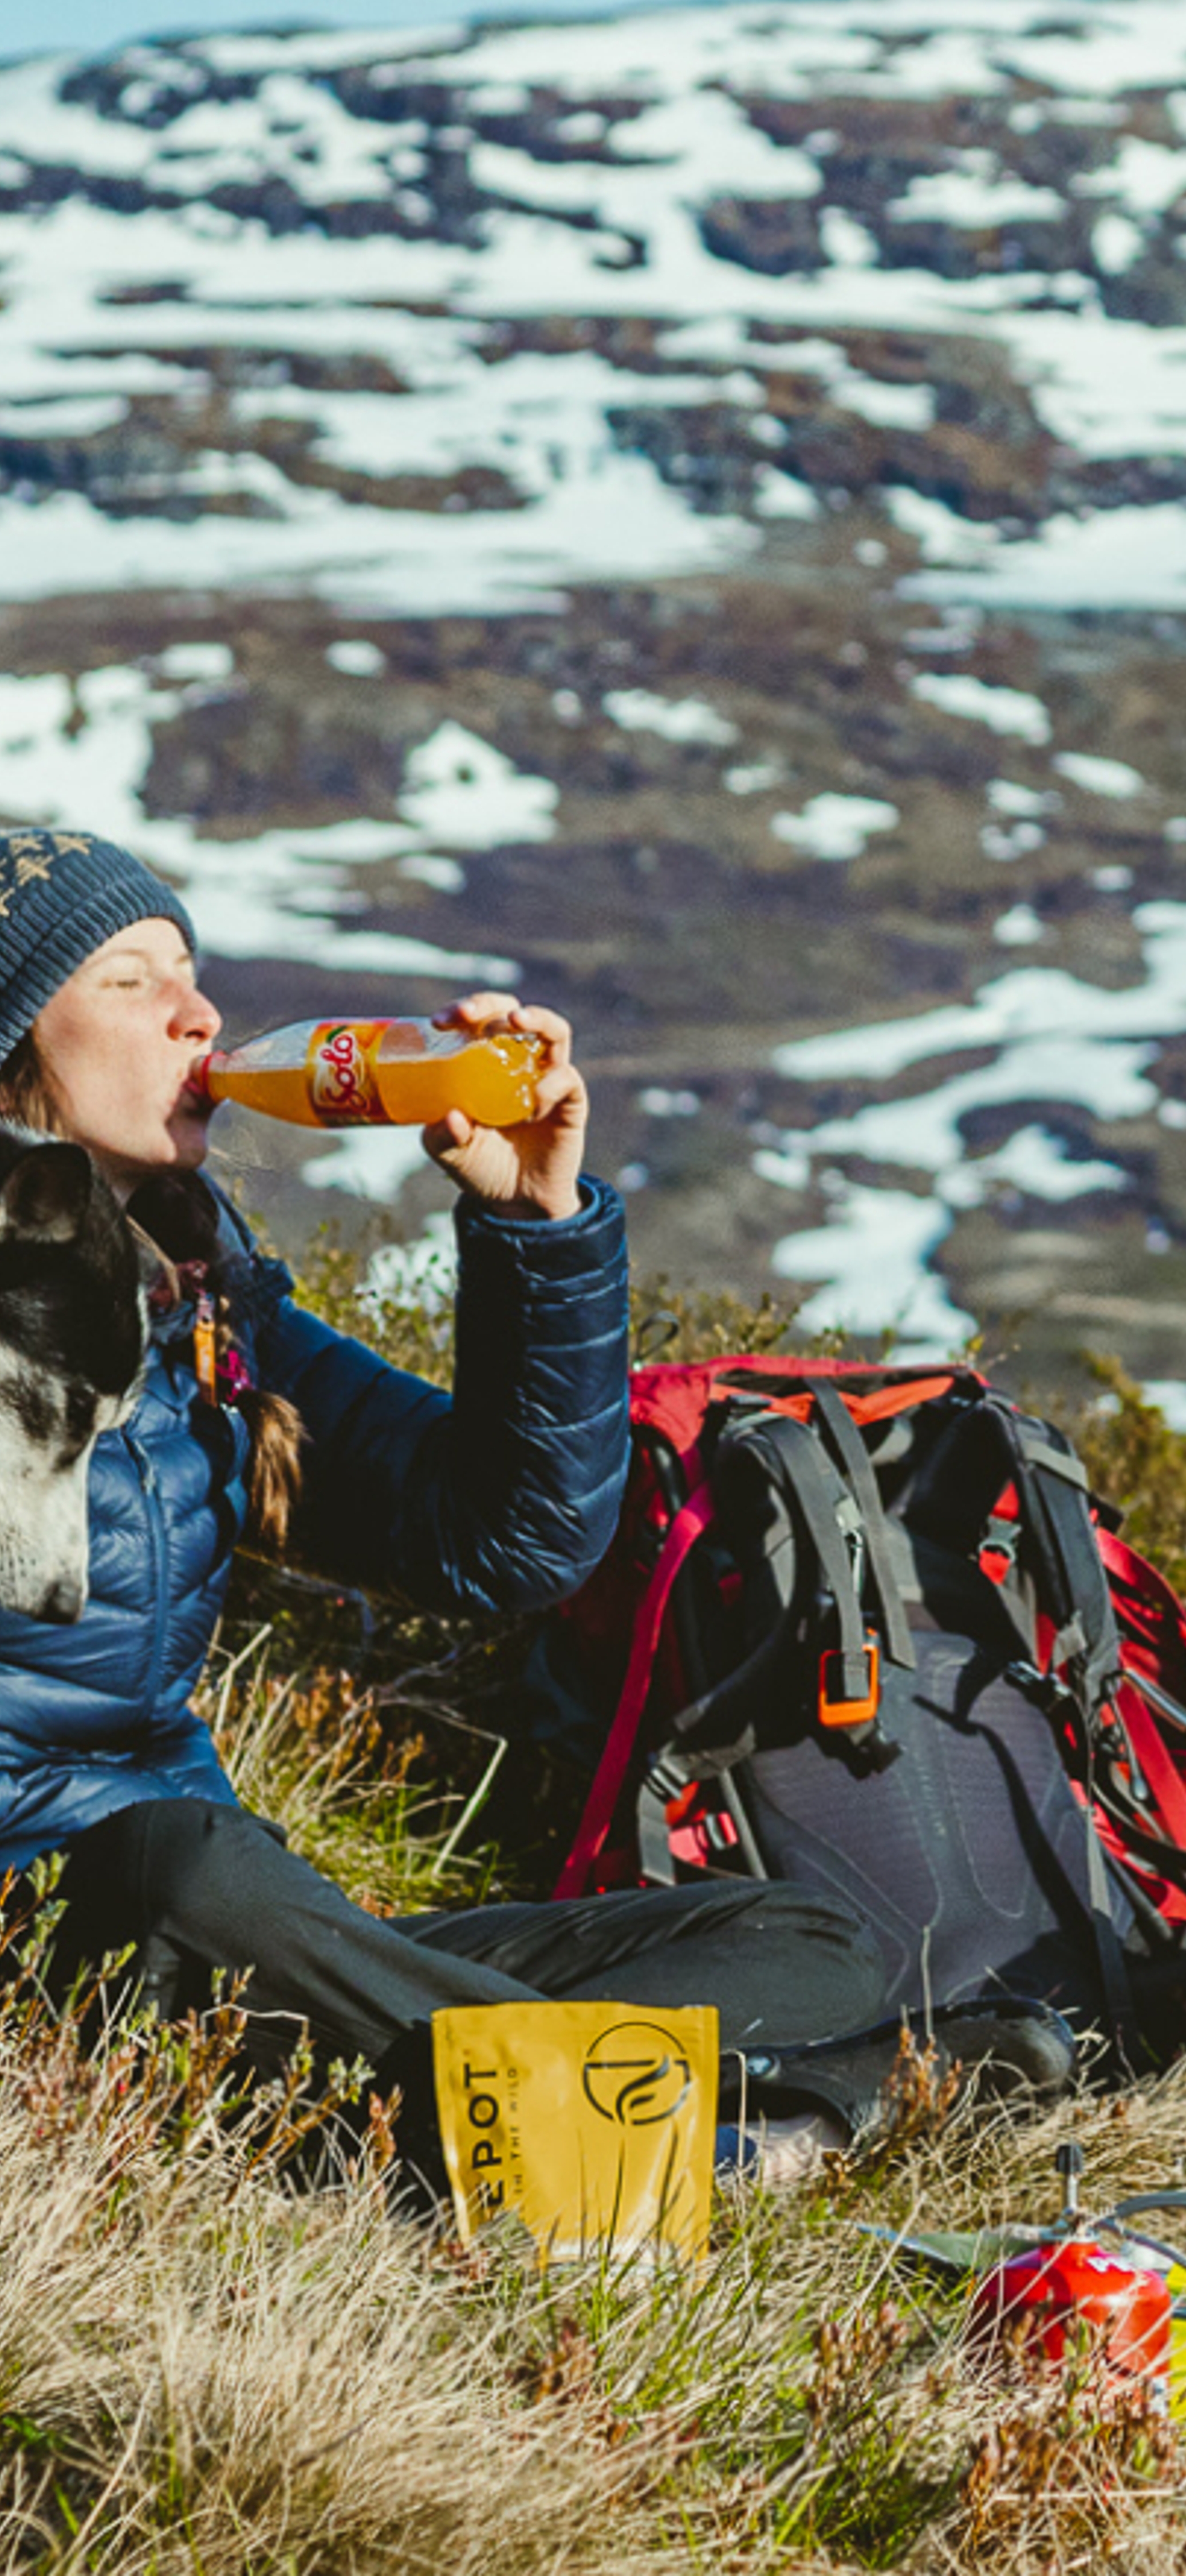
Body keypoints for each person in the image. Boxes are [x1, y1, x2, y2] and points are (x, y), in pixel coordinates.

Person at [0, 830, 1064, 2182]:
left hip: (236, 1944)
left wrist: (534, 1226)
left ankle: (482, 2135)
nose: (198, 1016)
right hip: (66, 1934)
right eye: (128, 980)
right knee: (186, 1872)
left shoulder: (202, 1303)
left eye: (193, 973)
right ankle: (750, 2125)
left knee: (810, 1937)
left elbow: (505, 1540)